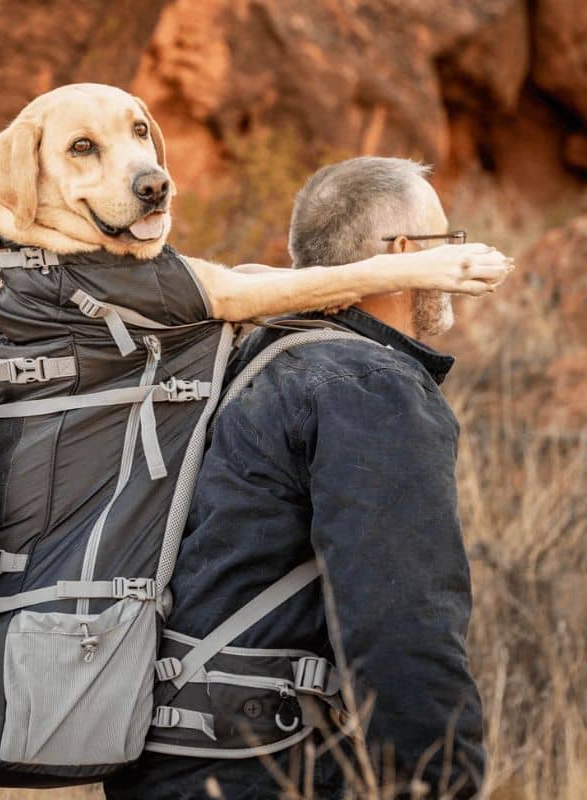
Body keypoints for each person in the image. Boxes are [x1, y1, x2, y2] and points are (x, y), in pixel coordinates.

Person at [104, 157, 491, 799]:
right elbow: (402, 619)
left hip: (164, 753)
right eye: (444, 243)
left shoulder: (254, 357)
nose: (453, 261)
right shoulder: (369, 385)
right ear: (399, 255)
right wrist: (442, 785)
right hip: (254, 764)